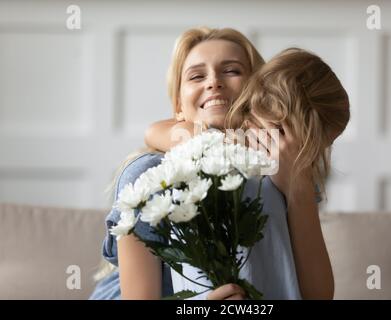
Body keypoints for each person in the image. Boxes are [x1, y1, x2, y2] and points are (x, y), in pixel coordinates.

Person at [143, 47, 349, 299]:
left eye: (231, 71)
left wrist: (299, 189)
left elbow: (319, 294)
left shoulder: (294, 178)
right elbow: (155, 131)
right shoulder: (171, 167)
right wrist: (227, 144)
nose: (214, 84)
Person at [89, 26, 265, 300]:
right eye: (196, 76)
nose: (213, 82)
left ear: (259, 89)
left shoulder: (278, 167)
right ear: (179, 106)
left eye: (232, 70)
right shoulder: (149, 173)